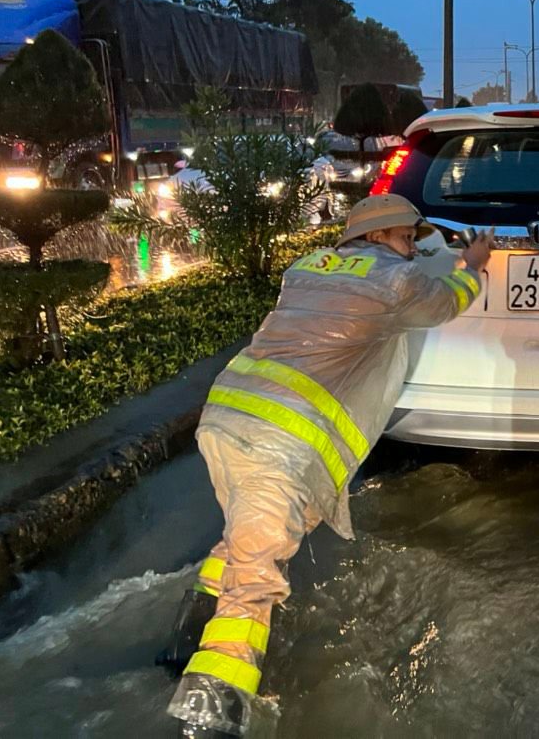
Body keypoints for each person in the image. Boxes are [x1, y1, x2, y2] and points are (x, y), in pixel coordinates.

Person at [161, 194, 494, 737]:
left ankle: (185, 635)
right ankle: (212, 712)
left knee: (243, 537)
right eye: (405, 237)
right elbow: (441, 304)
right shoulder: (396, 282)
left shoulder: (307, 267)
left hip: (228, 417)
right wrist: (471, 266)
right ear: (380, 235)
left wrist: (422, 249)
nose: (411, 247)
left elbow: (363, 290)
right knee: (255, 577)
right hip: (281, 440)